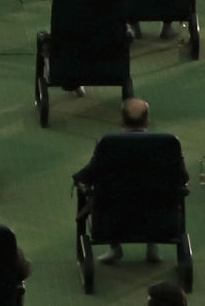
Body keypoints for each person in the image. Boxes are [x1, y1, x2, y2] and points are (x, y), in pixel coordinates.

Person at [72, 98, 183, 265]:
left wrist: (79, 180)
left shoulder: (108, 144)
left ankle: (115, 248)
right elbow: (182, 178)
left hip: (112, 219)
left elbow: (88, 175)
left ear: (121, 120)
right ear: (147, 120)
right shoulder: (167, 145)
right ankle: (152, 245)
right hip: (159, 218)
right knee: (153, 195)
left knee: (102, 198)